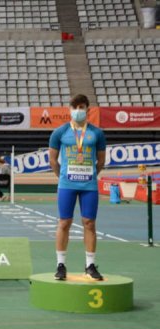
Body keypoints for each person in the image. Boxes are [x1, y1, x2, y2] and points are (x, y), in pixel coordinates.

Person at [49, 94, 106, 281]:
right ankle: (60, 265)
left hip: (88, 185)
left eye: (81, 107)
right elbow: (52, 159)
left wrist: (90, 175)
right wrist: (62, 177)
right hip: (67, 184)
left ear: (88, 109)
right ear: (70, 109)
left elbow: (101, 160)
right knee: (64, 223)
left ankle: (90, 265)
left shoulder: (97, 133)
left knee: (89, 223)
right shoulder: (60, 132)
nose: (78, 110)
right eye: (75, 107)